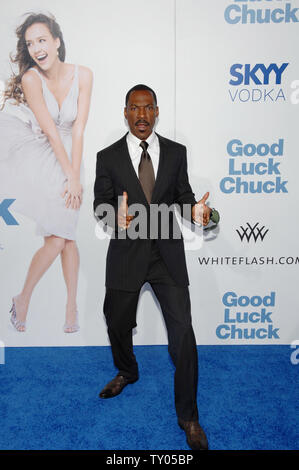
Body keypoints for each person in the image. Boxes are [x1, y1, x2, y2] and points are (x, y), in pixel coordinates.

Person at [93, 84, 219, 450]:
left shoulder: (176, 153)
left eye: (148, 108)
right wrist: (112, 214)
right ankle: (127, 371)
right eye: (135, 108)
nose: (142, 115)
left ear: (157, 111)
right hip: (126, 253)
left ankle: (189, 417)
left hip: (166, 255)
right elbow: (100, 201)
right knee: (116, 320)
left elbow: (183, 197)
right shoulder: (108, 156)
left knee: (184, 335)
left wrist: (198, 212)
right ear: (126, 112)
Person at [0, 13, 93, 332]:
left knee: (67, 235)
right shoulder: (30, 78)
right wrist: (69, 176)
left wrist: (76, 175)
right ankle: (25, 298)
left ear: (56, 41)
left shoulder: (84, 75)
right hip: (46, 156)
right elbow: (52, 131)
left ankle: (69, 307)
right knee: (58, 238)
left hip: (73, 157)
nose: (37, 48)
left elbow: (78, 128)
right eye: (30, 43)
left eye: (42, 40)